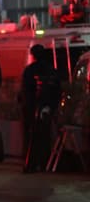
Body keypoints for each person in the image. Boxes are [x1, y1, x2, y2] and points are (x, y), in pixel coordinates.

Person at [21, 44, 60, 173]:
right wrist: (51, 106)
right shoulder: (52, 70)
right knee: (45, 135)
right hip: (46, 108)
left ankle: (30, 163)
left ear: (32, 55)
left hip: (32, 107)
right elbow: (57, 91)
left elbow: (25, 91)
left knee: (31, 136)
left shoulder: (29, 70)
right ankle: (44, 163)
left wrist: (26, 105)